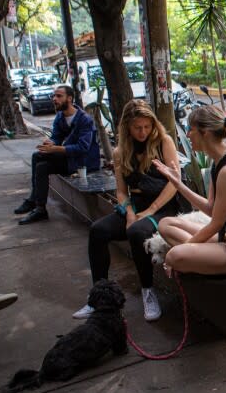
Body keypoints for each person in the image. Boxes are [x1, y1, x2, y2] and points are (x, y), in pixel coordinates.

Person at [73, 100, 180, 321]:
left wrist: (151, 209)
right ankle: (99, 298)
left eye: (147, 126)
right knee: (98, 230)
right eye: (137, 127)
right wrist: (130, 213)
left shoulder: (164, 142)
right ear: (127, 128)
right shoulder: (120, 152)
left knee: (136, 232)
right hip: (137, 207)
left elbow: (174, 183)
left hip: (163, 207)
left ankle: (148, 292)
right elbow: (121, 192)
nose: (143, 132)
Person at [153, 106, 226, 276]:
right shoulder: (218, 164)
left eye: (190, 129)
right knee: (165, 224)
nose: (187, 135)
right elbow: (211, 209)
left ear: (205, 132)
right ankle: (201, 256)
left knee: (173, 255)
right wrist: (178, 184)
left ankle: (199, 257)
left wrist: (187, 248)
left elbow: (216, 224)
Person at [14, 85, 100, 225]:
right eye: (54, 96)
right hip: (69, 158)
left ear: (70, 98)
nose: (54, 99)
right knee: (39, 159)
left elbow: (83, 148)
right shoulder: (60, 117)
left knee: (40, 163)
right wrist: (50, 142)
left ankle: (35, 203)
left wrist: (55, 149)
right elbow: (56, 137)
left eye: (59, 96)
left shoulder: (85, 119)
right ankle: (39, 206)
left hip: (83, 163)